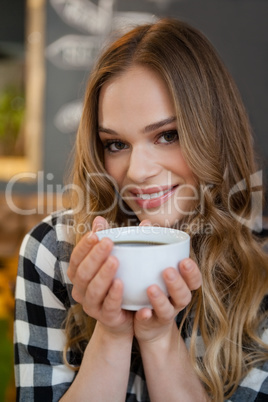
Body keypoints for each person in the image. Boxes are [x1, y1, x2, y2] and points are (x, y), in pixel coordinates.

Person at [14, 17, 268, 401]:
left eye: (168, 136)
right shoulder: (54, 251)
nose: (137, 171)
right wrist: (112, 334)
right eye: (116, 144)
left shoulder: (261, 267)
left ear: (214, 131)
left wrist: (159, 338)